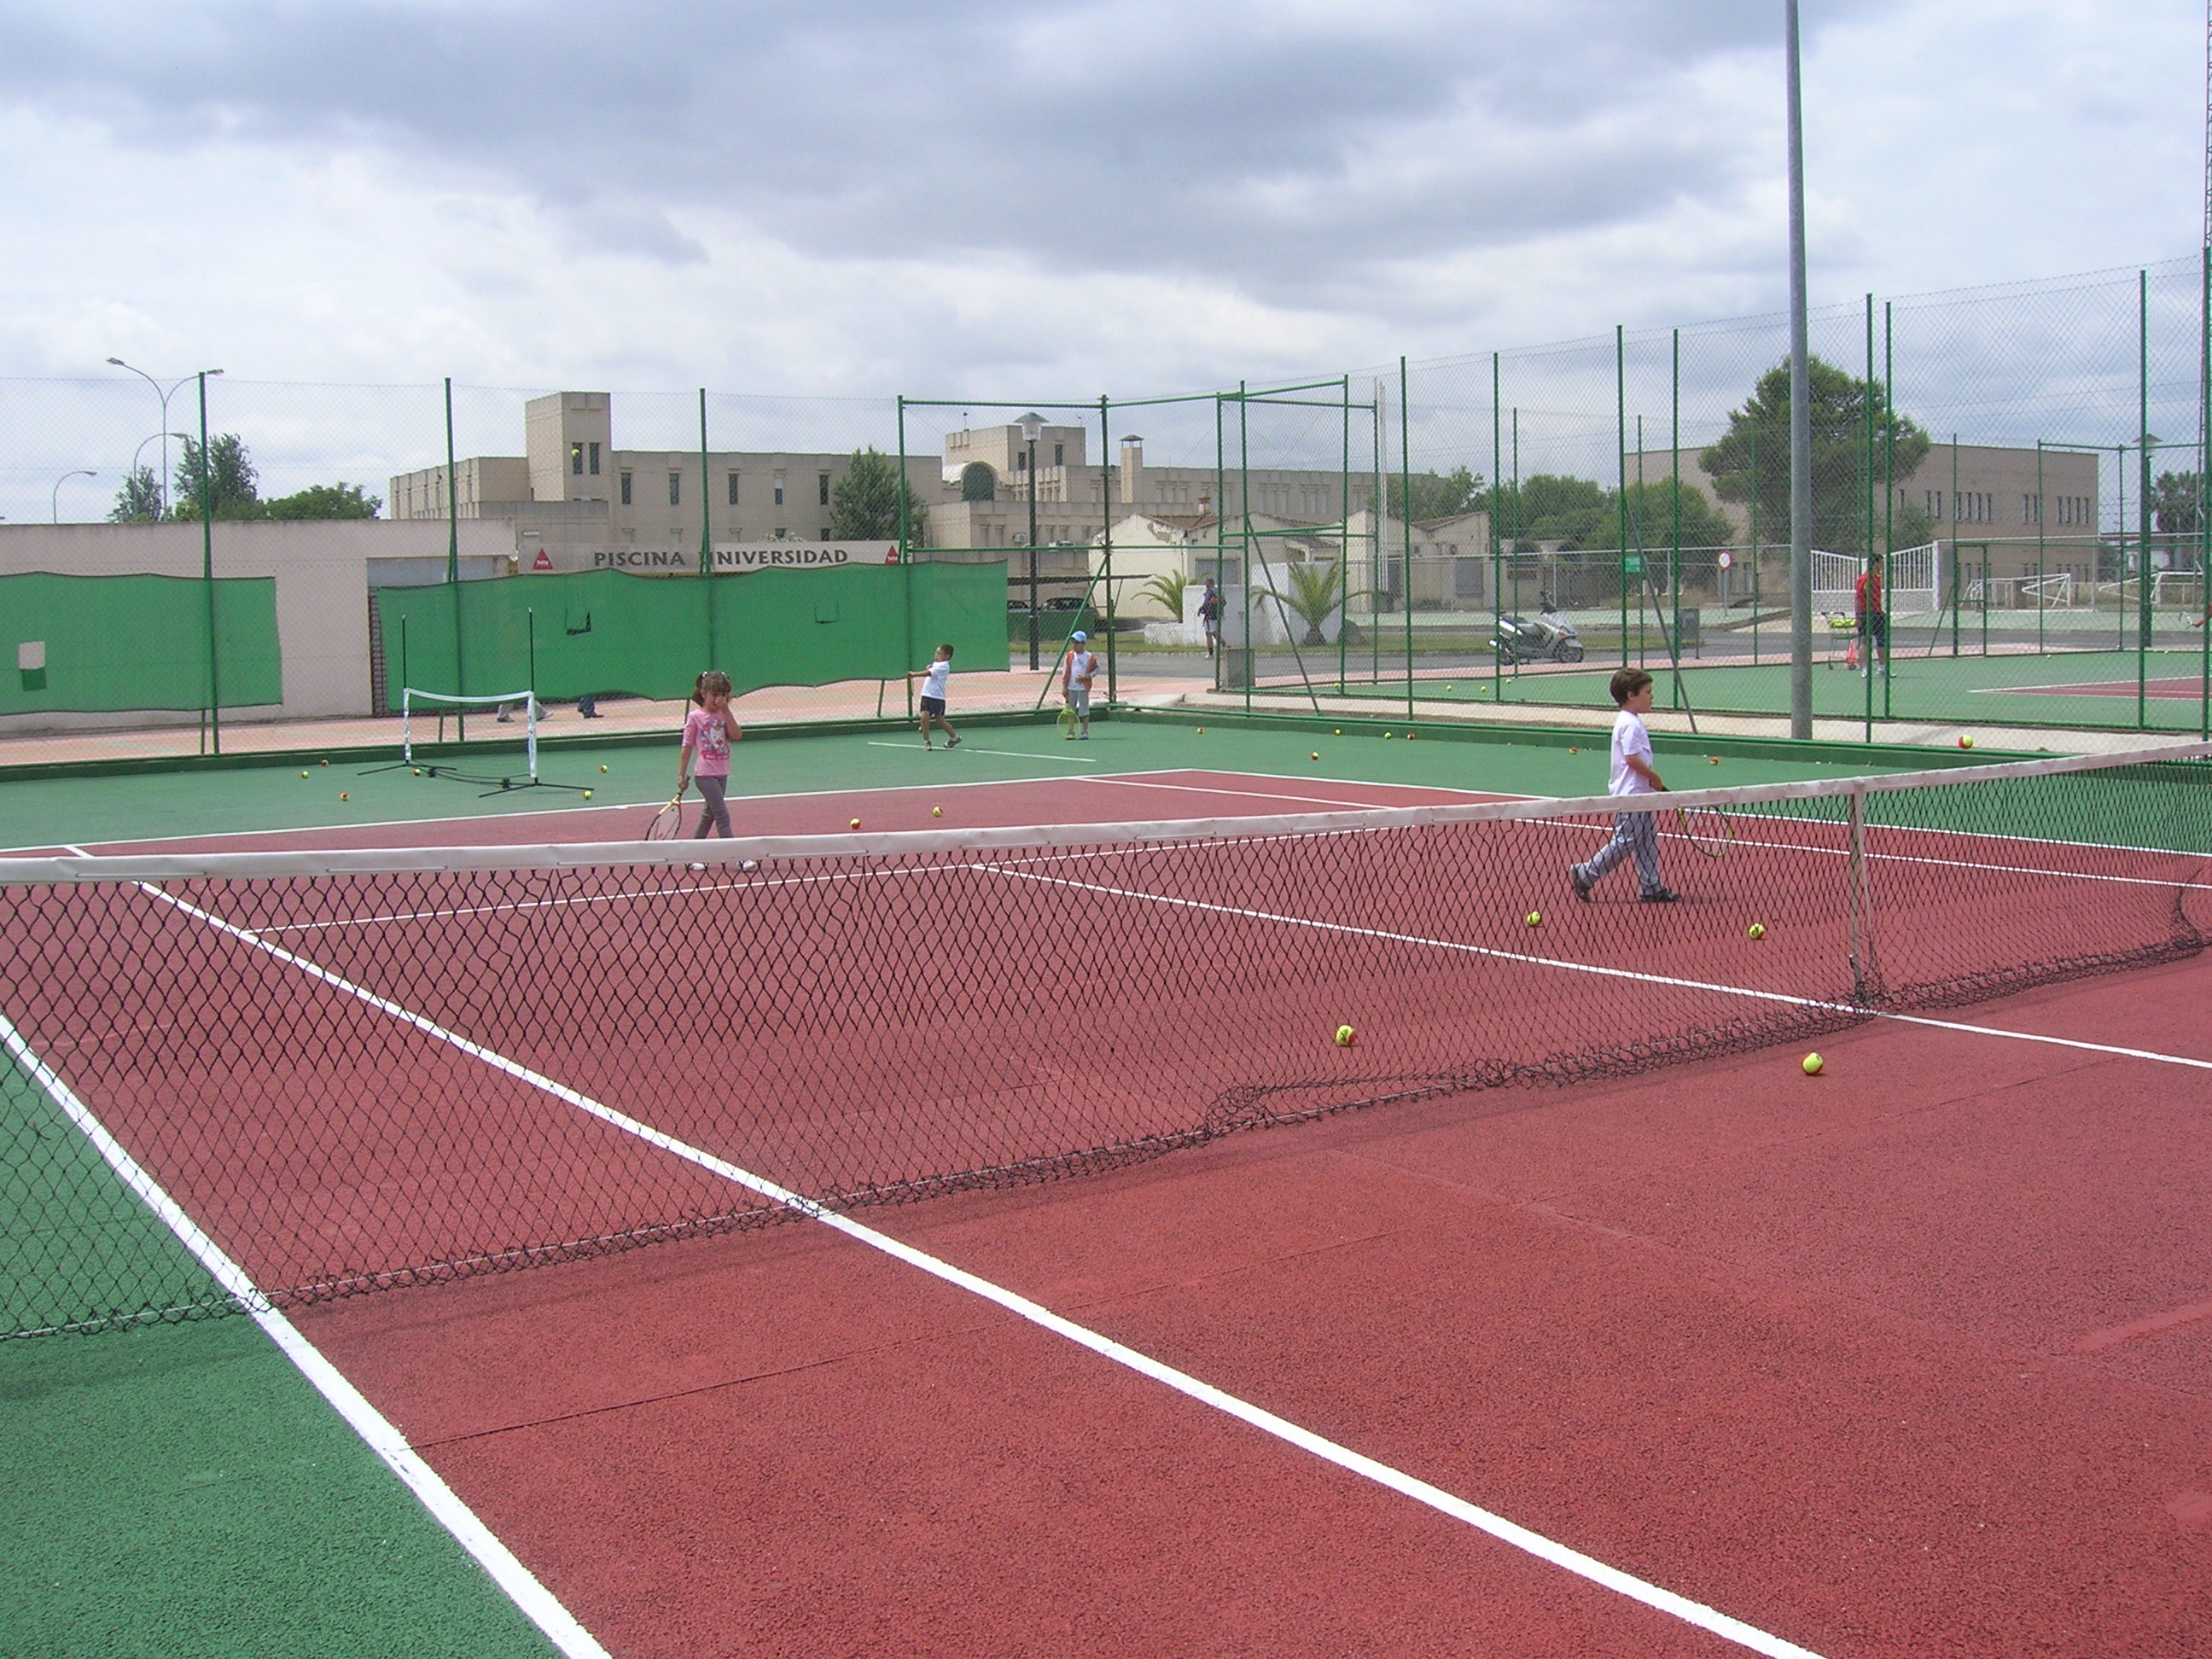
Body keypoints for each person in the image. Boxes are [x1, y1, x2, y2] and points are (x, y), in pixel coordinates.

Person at [1569, 667, 1680, 905]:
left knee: (1647, 840)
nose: (1652, 696)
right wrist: (1654, 777)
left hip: (1640, 795)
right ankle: (1585, 873)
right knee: (1627, 841)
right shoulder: (1630, 724)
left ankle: (1651, 887)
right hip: (1631, 796)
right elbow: (1631, 758)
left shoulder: (1632, 721)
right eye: (1647, 692)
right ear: (1631, 695)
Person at [678, 670, 743, 838]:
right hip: (705, 775)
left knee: (709, 815)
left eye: (723, 695)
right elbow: (687, 747)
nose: (718, 700)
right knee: (722, 815)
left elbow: (737, 735)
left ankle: (694, 849)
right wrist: (681, 775)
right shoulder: (695, 717)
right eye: (714, 695)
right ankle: (734, 851)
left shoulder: (725, 715)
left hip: (722, 773)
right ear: (703, 693)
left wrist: (727, 712)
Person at [915, 643, 962, 749]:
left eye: (939, 654)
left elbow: (929, 673)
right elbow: (932, 669)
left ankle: (954, 738)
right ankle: (927, 741)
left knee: (940, 721)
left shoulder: (944, 666)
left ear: (947, 656)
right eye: (936, 653)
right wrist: (930, 667)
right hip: (926, 695)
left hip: (938, 697)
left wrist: (914, 674)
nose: (936, 655)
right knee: (924, 717)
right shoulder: (936, 664)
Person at [1062, 630, 1099, 740]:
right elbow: (1065, 672)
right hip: (1071, 688)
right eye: (1073, 642)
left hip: (1083, 688)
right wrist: (1064, 687)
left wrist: (1087, 677)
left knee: (1084, 711)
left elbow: (1097, 669)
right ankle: (1071, 731)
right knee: (1071, 711)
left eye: (1077, 642)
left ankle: (1084, 732)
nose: (1074, 645)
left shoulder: (1089, 657)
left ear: (1083, 643)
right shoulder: (1069, 656)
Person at [1854, 556, 1889, 672]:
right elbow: (1858, 598)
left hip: (1878, 614)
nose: (1882, 566)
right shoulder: (1864, 579)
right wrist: (1858, 616)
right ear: (1875, 564)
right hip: (1865, 614)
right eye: (1881, 563)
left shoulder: (1877, 577)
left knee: (1882, 641)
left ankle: (1882, 668)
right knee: (1865, 640)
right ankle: (1865, 669)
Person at [1197, 576, 1224, 656]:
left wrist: (1201, 609)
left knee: (1209, 633)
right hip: (1216, 614)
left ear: (1210, 583)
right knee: (1214, 632)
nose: (1205, 584)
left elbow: (1206, 603)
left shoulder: (1210, 592)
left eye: (1206, 582)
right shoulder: (1218, 591)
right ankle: (1224, 645)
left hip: (1210, 615)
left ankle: (1211, 652)